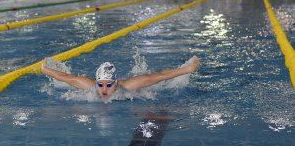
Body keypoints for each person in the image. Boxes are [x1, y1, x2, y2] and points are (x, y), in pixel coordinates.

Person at [41, 56, 200, 101]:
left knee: (159, 81)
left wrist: (189, 68)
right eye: (100, 85)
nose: (104, 90)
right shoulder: (89, 86)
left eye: (109, 85)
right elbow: (65, 77)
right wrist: (45, 69)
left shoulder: (130, 86)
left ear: (116, 83)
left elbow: (161, 77)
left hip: (141, 84)